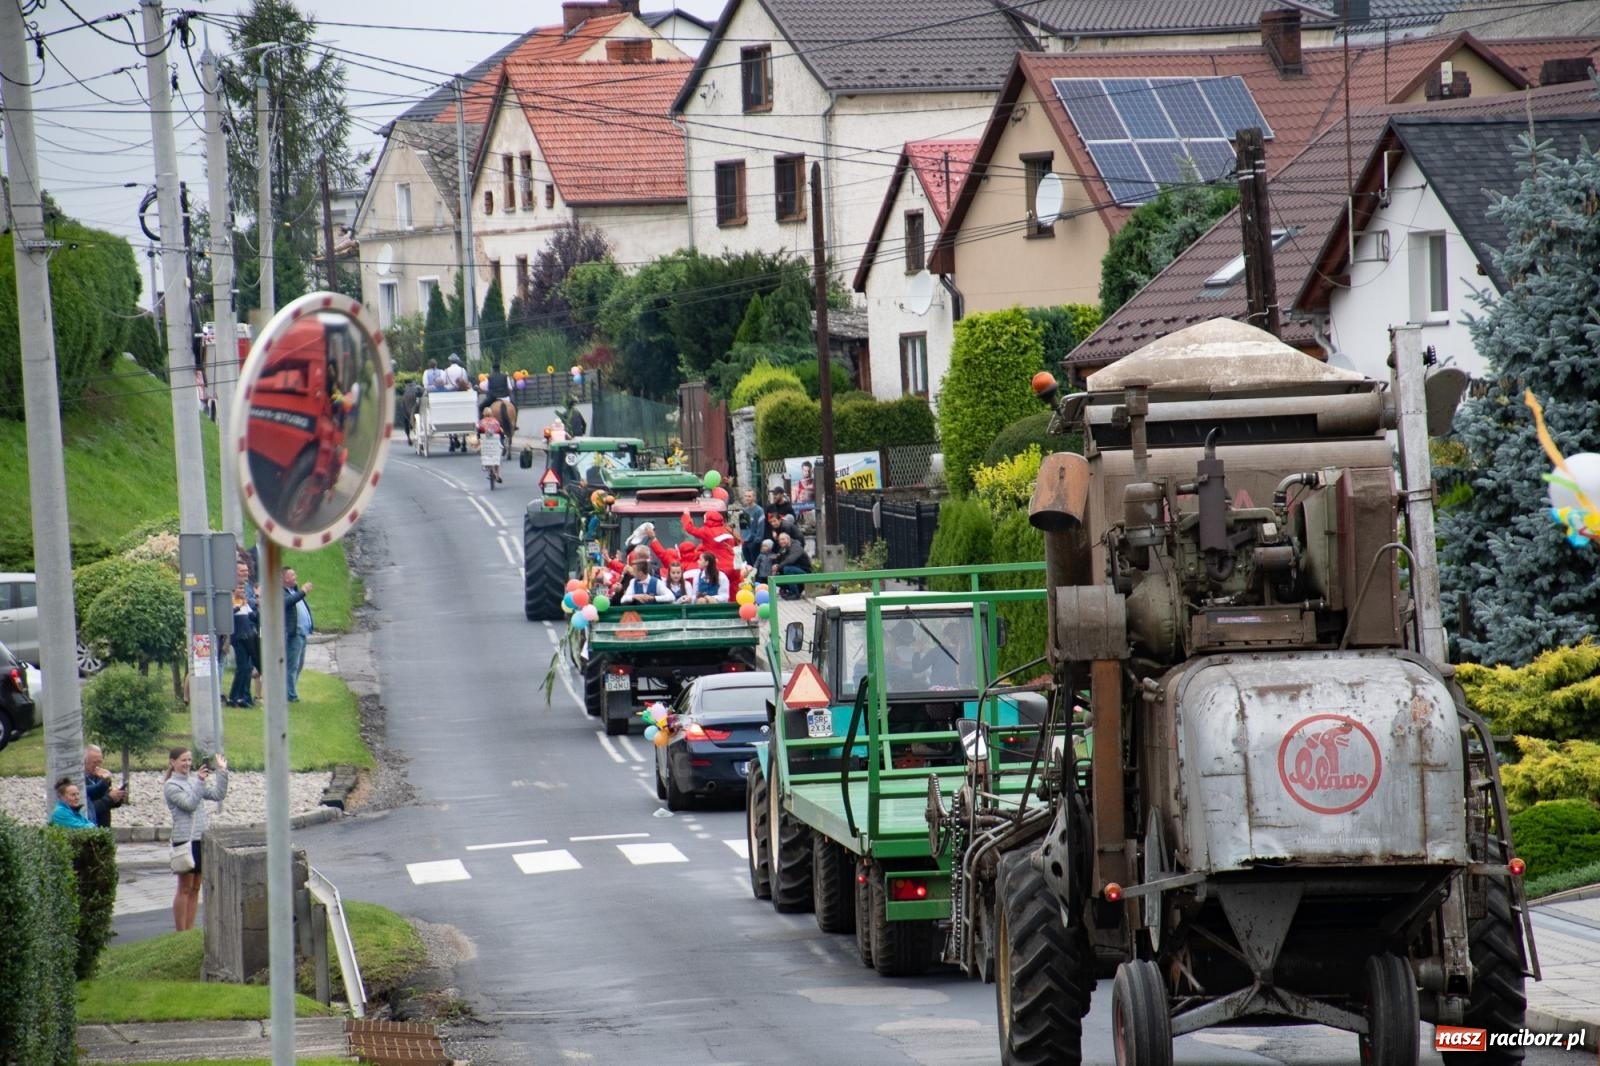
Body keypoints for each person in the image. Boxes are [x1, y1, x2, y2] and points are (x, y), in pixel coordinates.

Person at [164, 747, 228, 932]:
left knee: (196, 886)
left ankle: (189, 929)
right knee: (185, 886)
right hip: (185, 840)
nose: (187, 764)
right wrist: (200, 781)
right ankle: (181, 931)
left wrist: (222, 771)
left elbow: (218, 795)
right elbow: (190, 805)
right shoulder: (171, 786)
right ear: (173, 762)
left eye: (189, 760)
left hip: (201, 838)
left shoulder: (194, 781)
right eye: (183, 760)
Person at [227, 562, 258, 708]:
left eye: (247, 570)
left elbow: (251, 614)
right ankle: (235, 696)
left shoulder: (245, 595)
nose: (245, 573)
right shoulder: (231, 596)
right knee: (243, 666)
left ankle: (244, 696)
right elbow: (227, 613)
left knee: (247, 667)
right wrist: (237, 602)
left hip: (248, 634)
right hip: (239, 635)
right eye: (242, 571)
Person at [282, 568, 314, 703]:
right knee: (292, 665)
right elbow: (287, 603)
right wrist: (303, 592)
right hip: (293, 634)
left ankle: (291, 690)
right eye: (293, 575)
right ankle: (289, 694)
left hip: (302, 633)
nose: (296, 576)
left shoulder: (293, 591)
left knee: (299, 665)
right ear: (284, 579)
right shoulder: (281, 592)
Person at [682, 509, 739, 578]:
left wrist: (686, 516)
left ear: (707, 519)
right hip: (734, 566)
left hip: (718, 568)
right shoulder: (726, 530)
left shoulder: (706, 531)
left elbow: (690, 529)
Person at [84, 744, 127, 828]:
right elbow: (89, 809)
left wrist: (117, 798)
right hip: (89, 826)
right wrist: (110, 798)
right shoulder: (79, 781)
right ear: (85, 762)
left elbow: (108, 802)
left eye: (100, 762)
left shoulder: (100, 776)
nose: (98, 766)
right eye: (94, 762)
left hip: (104, 826)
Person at [443, 354, 473, 452]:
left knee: (448, 417)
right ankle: (464, 441)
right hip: (461, 395)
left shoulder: (446, 371)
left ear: (450, 361)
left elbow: (444, 382)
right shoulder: (462, 370)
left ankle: (452, 440)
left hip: (449, 395)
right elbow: (465, 381)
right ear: (457, 361)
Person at [774, 531, 812, 599]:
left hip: (805, 573)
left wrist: (778, 566)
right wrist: (776, 564)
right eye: (779, 540)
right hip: (795, 571)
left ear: (788, 539)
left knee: (787, 569)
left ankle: (795, 594)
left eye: (783, 539)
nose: (781, 541)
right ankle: (788, 590)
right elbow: (779, 561)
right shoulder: (783, 548)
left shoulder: (796, 547)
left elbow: (790, 560)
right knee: (776, 577)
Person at [740, 489, 765, 566]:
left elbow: (761, 527)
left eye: (749, 496)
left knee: (755, 564)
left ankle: (757, 578)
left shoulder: (759, 510)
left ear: (754, 498)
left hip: (754, 542)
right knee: (748, 565)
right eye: (746, 496)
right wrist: (742, 540)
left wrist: (756, 541)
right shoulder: (744, 510)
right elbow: (743, 528)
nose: (747, 498)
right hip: (745, 542)